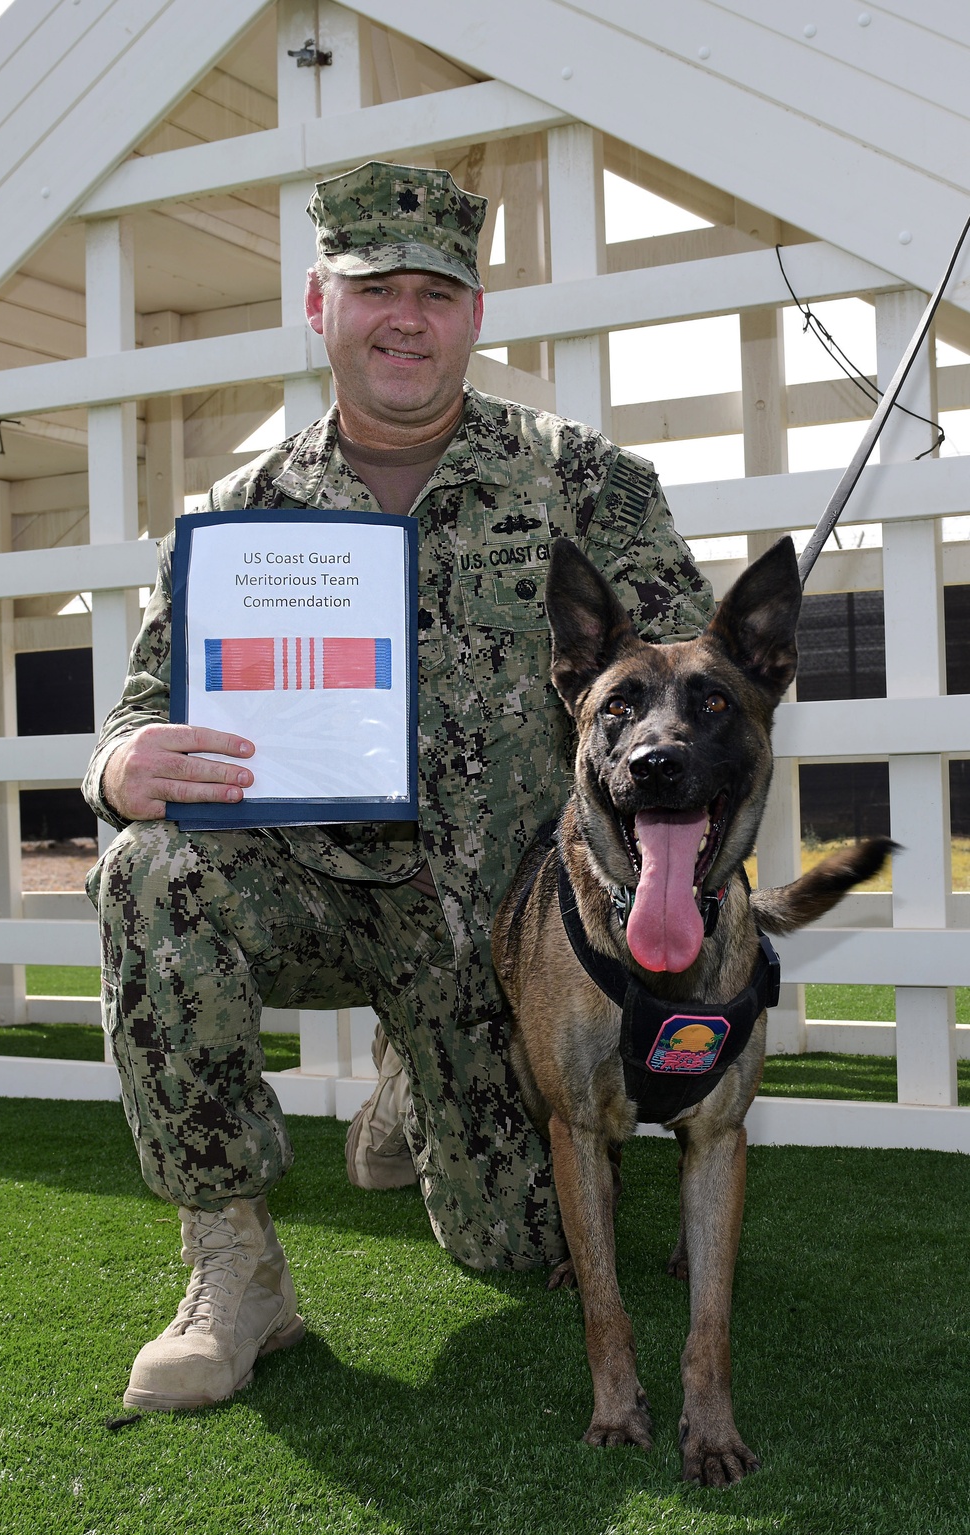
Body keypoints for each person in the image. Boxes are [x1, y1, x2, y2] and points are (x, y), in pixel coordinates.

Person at [83, 160, 715, 1413]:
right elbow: (141, 713)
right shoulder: (242, 515)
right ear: (321, 302)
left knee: (523, 1244)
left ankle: (413, 1079)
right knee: (148, 868)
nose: (406, 317)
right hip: (310, 891)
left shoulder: (583, 488)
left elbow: (688, 703)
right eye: (377, 288)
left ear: (475, 315)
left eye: (438, 290)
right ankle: (234, 1267)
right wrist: (115, 765)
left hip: (504, 939)